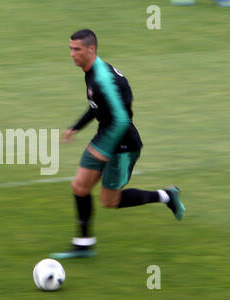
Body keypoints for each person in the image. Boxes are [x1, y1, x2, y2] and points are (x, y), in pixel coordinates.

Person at [50, 29, 185, 259]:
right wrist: (76, 127)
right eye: (70, 49)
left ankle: (166, 196)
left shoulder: (103, 79)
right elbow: (97, 106)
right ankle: (84, 244)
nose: (72, 54)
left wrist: (105, 149)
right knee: (80, 187)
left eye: (77, 49)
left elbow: (123, 119)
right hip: (106, 135)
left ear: (91, 49)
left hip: (123, 144)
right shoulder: (91, 71)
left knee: (110, 201)